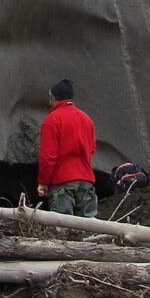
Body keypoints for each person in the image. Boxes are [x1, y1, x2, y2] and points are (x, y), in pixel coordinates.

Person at [36, 77, 98, 217]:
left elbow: (48, 157)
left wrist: (43, 182)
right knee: (88, 225)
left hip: (62, 181)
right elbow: (92, 149)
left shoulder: (51, 120)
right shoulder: (86, 119)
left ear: (54, 97)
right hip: (86, 180)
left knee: (62, 224)